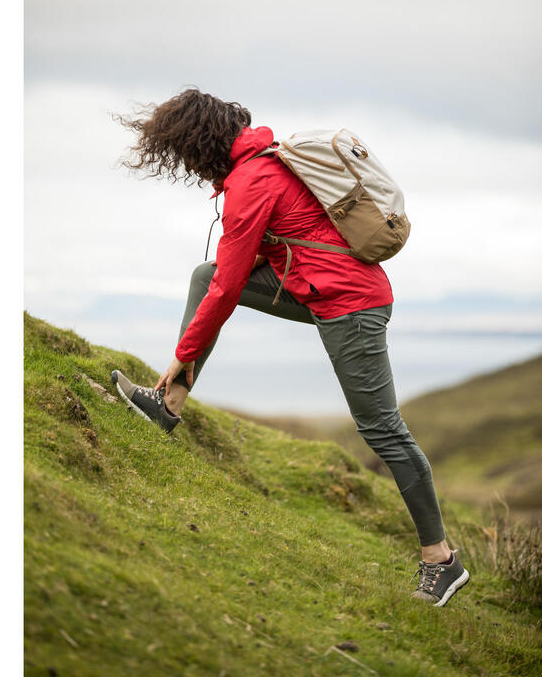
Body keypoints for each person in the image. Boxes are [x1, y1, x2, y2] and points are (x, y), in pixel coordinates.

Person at [111, 88, 469, 607]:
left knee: (382, 429)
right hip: (315, 290)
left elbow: (229, 289)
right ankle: (168, 406)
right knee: (203, 273)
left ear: (198, 144)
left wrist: (180, 356)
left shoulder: (252, 180)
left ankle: (441, 560)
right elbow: (228, 274)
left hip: (352, 306)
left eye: (182, 151)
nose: (183, 163)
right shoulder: (259, 166)